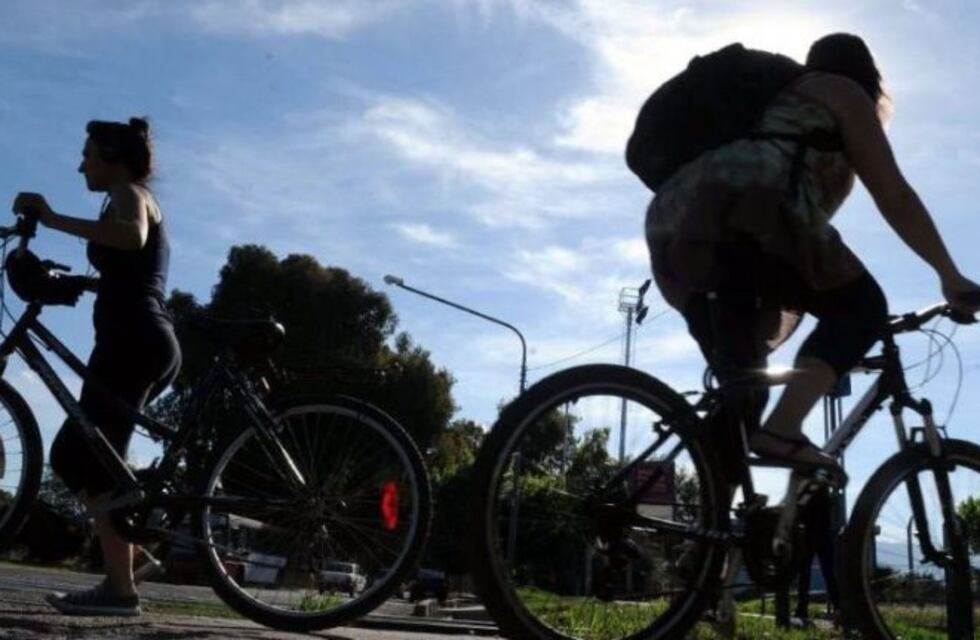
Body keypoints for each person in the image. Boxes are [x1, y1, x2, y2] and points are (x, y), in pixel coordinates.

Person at [644, 33, 980, 480]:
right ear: (869, 76)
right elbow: (894, 194)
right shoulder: (840, 91)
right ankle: (784, 429)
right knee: (863, 308)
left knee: (745, 391)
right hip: (754, 203)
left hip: (681, 222)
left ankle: (713, 543)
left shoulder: (776, 106)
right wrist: (948, 274)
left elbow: (777, 266)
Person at [12, 117, 181, 616]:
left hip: (134, 342)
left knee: (82, 455)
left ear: (113, 157)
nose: (80, 163)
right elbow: (132, 269)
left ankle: (121, 591)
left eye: (87, 154)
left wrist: (52, 216)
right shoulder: (123, 196)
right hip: (133, 340)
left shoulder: (130, 193)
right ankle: (130, 558)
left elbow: (130, 238)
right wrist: (71, 283)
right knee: (83, 457)